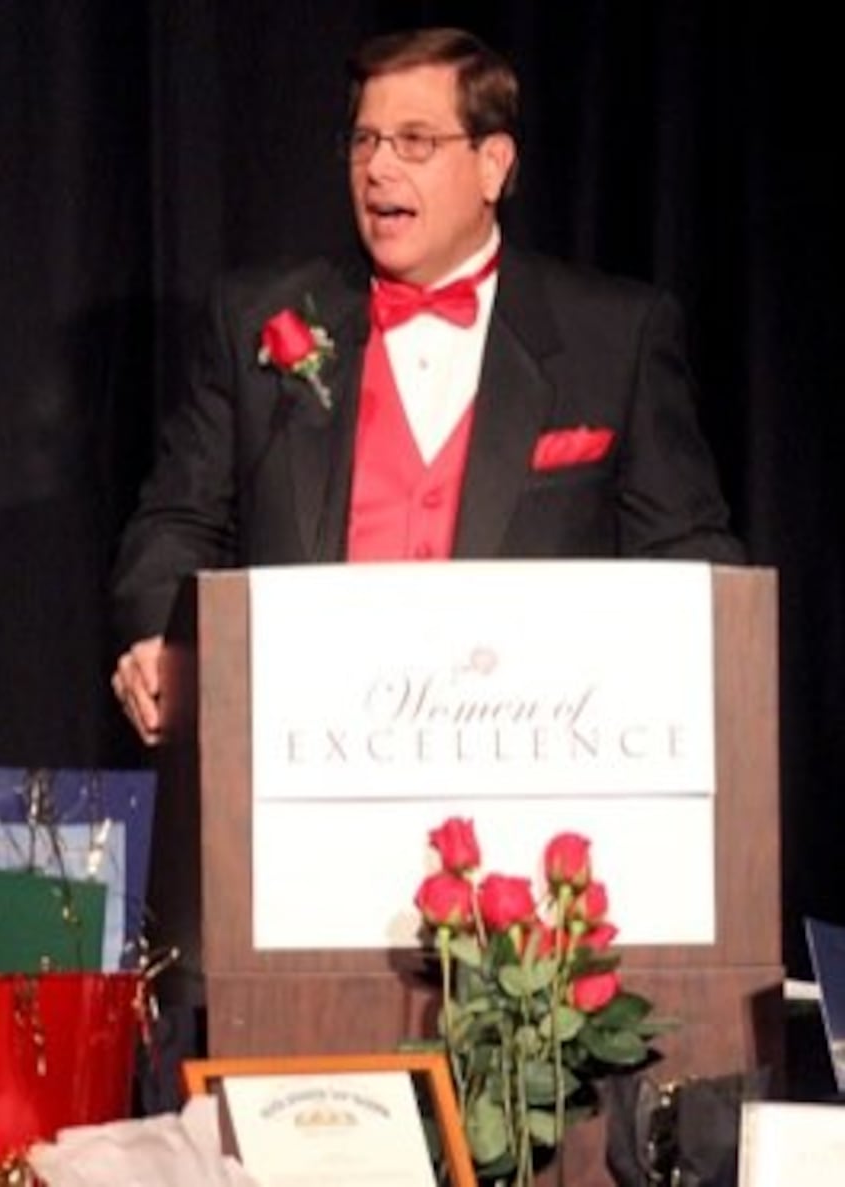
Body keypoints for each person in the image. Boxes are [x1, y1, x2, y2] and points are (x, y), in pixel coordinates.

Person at [109, 26, 743, 744]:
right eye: (363, 140)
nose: (378, 168)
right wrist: (166, 644)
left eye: (414, 141)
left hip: (530, 760)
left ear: (492, 165)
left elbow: (692, 561)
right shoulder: (259, 318)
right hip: (306, 749)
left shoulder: (616, 336)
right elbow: (177, 524)